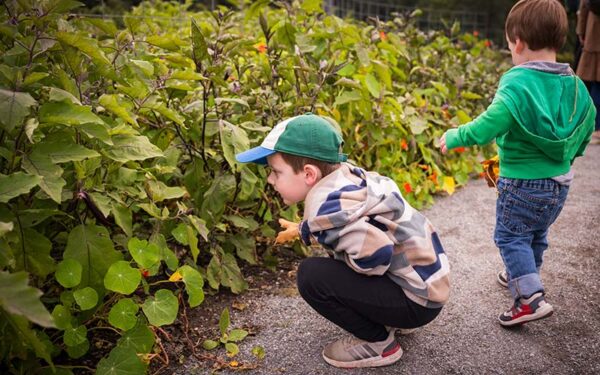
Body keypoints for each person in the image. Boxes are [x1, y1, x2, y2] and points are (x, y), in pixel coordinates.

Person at [236, 113, 450, 368]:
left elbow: (377, 254)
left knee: (311, 276)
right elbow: (349, 228)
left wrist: (341, 261)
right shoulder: (348, 180)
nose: (270, 180)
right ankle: (391, 315)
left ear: (308, 174)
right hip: (426, 288)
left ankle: (379, 343)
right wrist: (306, 230)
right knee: (342, 265)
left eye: (275, 172)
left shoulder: (326, 209)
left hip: (415, 302)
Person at [440, 0, 596, 327]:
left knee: (511, 236)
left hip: (522, 183)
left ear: (519, 43)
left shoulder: (517, 81)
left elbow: (489, 124)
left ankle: (528, 299)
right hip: (559, 184)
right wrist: (570, 156)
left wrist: (456, 136)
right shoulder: (576, 85)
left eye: (510, 44)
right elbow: (588, 123)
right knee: (535, 234)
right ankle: (523, 273)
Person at [576, 0, 600, 142]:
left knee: (592, 85)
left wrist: (581, 32)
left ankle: (594, 127)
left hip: (593, 36)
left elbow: (584, 7)